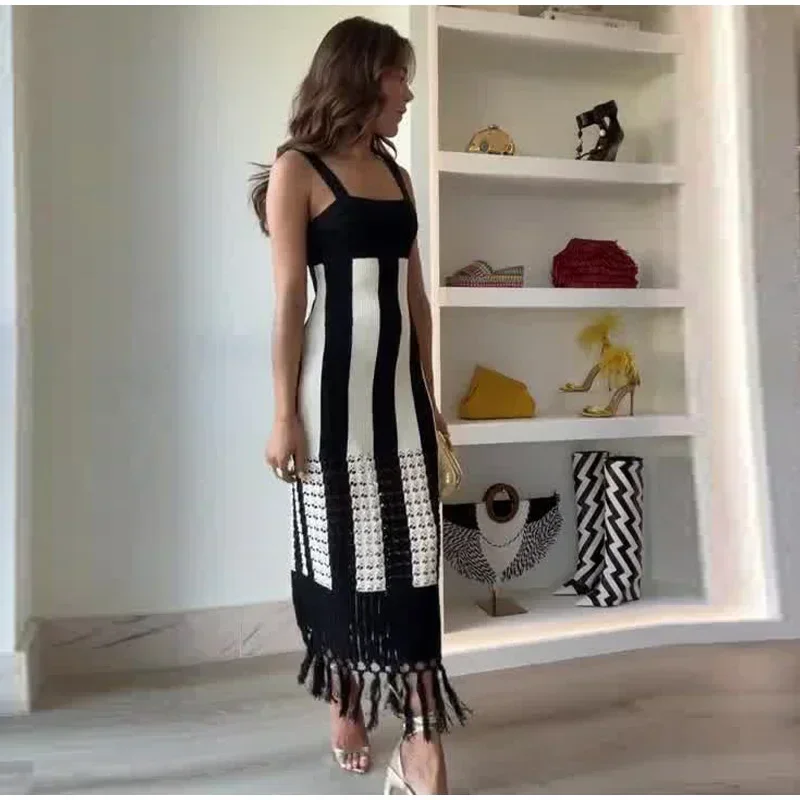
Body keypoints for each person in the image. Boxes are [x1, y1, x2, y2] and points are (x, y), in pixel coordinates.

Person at [249, 15, 469, 796]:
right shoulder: (297, 169)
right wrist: (284, 413)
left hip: (401, 400)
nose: (408, 93)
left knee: (413, 566)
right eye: (398, 76)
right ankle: (346, 700)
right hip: (328, 398)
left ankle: (421, 737)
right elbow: (288, 302)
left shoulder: (396, 175)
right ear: (362, 75)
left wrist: (430, 395)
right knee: (338, 558)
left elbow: (416, 297)